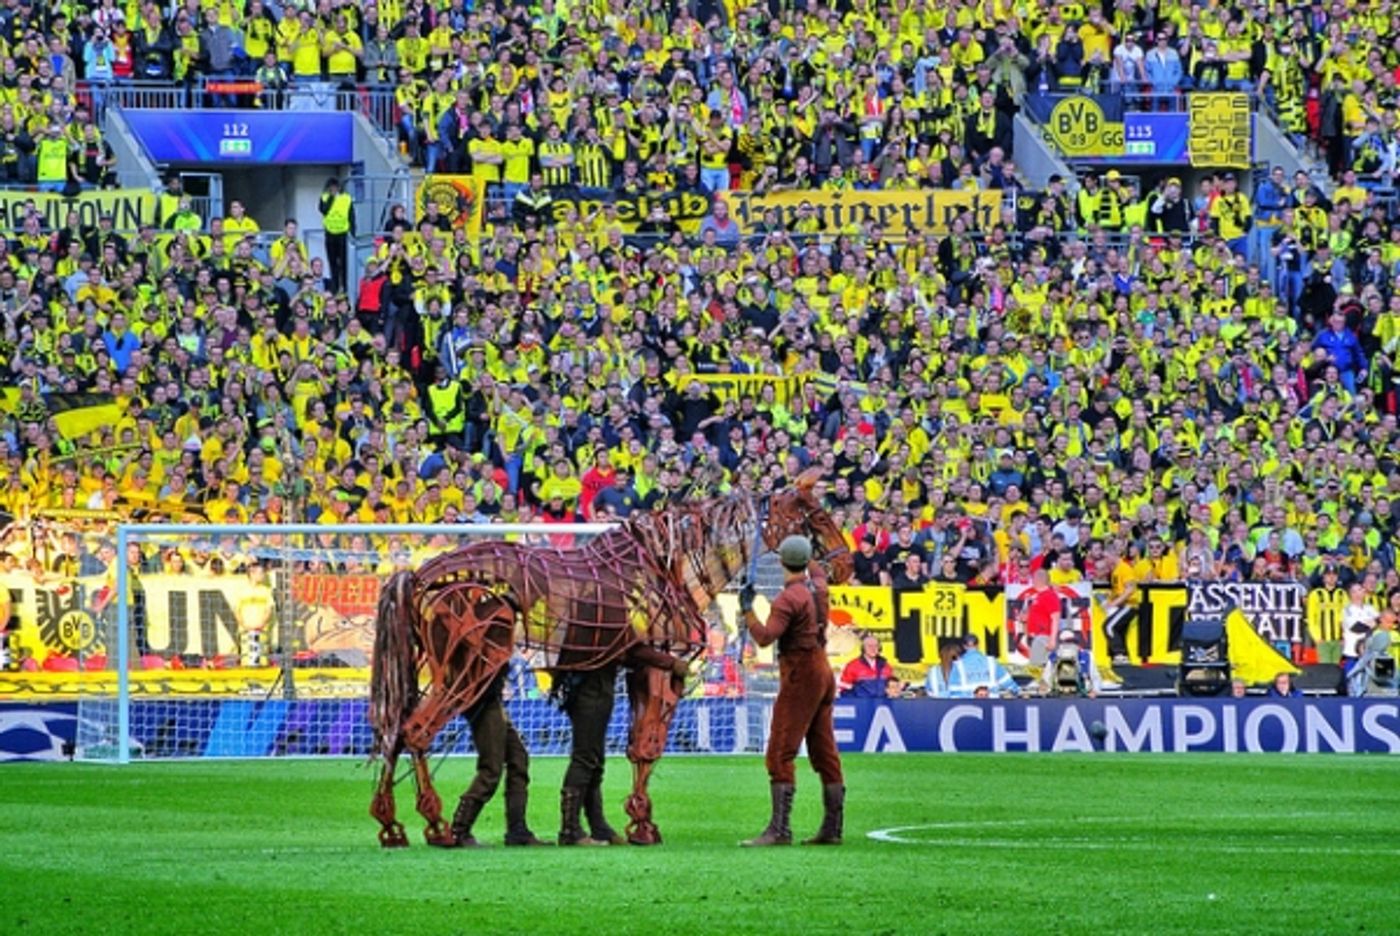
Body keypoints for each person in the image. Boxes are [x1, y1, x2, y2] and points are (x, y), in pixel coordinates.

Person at [738, 535, 843, 846]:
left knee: (780, 752)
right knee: (825, 750)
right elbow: (816, 567)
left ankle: (779, 830)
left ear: (781, 561)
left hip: (800, 675)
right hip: (823, 669)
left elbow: (765, 637)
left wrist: (748, 610)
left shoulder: (788, 598)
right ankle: (832, 828)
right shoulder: (818, 586)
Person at [554, 645, 689, 846]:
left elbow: (625, 649)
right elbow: (631, 647)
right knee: (585, 758)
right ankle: (570, 829)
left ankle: (598, 827)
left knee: (594, 760)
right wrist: (671, 663)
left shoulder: (591, 618)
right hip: (593, 689)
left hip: (590, 686)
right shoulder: (606, 615)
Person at [449, 668, 550, 847]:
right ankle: (459, 830)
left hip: (491, 698)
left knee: (518, 758)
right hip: (482, 699)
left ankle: (517, 830)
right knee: (491, 768)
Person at [319, 177, 354, 294]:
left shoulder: (347, 198)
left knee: (344, 263)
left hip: (342, 234)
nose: (333, 189)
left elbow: (351, 216)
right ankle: (335, 287)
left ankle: (345, 287)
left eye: (335, 187)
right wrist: (331, 198)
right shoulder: (324, 197)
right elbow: (323, 210)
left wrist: (353, 232)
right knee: (332, 263)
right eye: (331, 187)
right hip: (330, 234)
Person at [838, 634, 901, 698]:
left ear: (879, 648)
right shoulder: (852, 666)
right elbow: (844, 690)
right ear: (863, 648)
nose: (873, 648)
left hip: (881, 706)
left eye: (876, 646)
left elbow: (892, 688)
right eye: (869, 646)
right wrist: (857, 703)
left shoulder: (886, 666)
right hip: (861, 706)